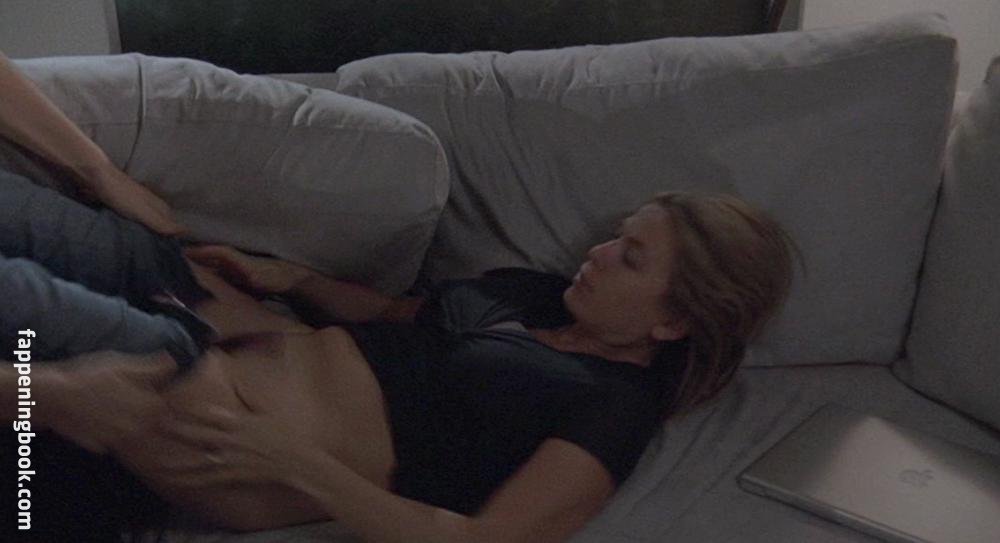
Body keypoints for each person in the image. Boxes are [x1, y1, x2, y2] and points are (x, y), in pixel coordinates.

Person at [0, 49, 802, 543]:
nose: (596, 254)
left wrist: (300, 466)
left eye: (630, 257)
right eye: (616, 234)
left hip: (204, 411)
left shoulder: (612, 406)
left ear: (674, 319)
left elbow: (487, 540)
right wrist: (294, 280)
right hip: (203, 316)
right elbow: (397, 315)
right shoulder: (539, 296)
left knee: (21, 305)